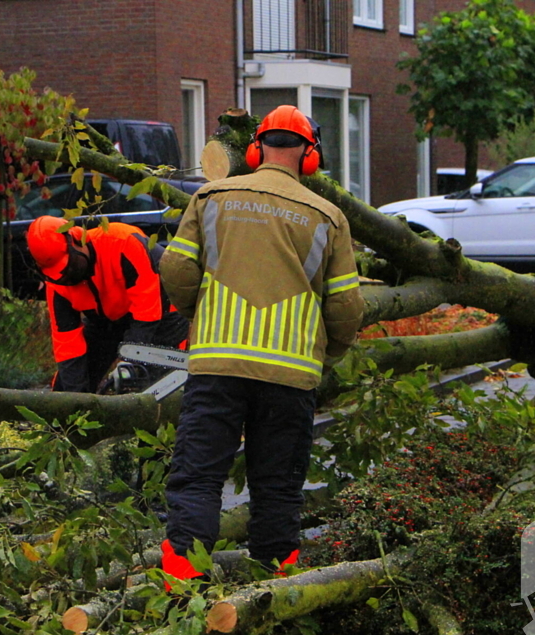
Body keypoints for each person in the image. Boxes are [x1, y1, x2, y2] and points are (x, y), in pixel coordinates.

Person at [158, 105, 365, 580]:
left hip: (217, 367)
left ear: (256, 150)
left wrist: (198, 315)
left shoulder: (211, 197)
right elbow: (346, 308)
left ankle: (180, 594)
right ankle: (274, 595)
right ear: (309, 157)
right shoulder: (328, 216)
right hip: (290, 376)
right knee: (278, 489)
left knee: (197, 479)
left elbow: (175, 267)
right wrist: (325, 353)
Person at [26, 216, 189, 393]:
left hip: (160, 312)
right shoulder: (58, 284)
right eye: (60, 274)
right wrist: (75, 398)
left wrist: (131, 361)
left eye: (69, 266)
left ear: (77, 239)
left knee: (153, 385)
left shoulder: (122, 242)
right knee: (67, 384)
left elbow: (147, 309)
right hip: (104, 320)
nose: (67, 276)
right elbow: (67, 343)